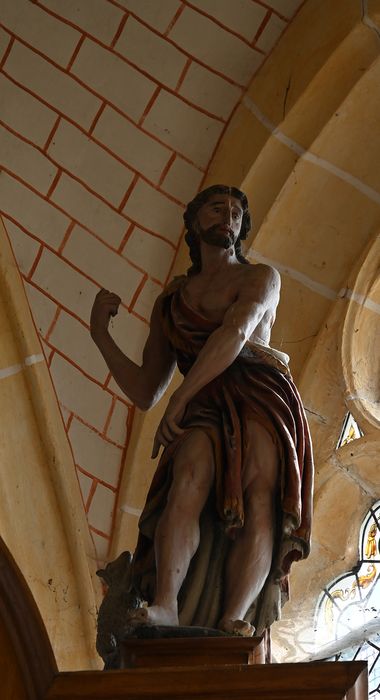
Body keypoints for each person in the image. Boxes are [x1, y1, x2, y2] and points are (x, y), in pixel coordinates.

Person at [90, 184, 313, 640]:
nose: (228, 217)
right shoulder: (172, 302)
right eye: (217, 209)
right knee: (186, 479)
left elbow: (235, 332)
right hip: (203, 402)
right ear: (193, 223)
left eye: (235, 212)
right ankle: (166, 605)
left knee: (258, 494)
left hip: (259, 392)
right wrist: (100, 336)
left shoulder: (259, 278)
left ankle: (237, 616)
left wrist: (182, 396)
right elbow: (146, 389)